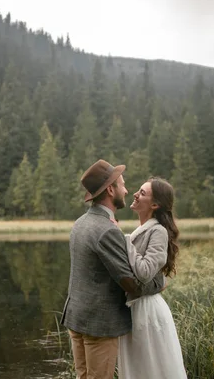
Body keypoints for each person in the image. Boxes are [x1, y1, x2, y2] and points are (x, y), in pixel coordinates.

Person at [60, 159, 166, 379]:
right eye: (123, 185)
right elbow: (130, 283)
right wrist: (158, 283)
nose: (127, 190)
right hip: (98, 325)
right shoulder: (107, 230)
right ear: (110, 189)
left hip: (76, 318)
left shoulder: (80, 223)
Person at [117, 177, 187, 379]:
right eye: (138, 190)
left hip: (148, 312)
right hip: (135, 309)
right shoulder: (141, 230)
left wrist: (125, 241)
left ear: (155, 205)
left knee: (154, 369)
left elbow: (146, 272)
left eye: (142, 193)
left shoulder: (158, 231)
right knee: (140, 369)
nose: (135, 194)